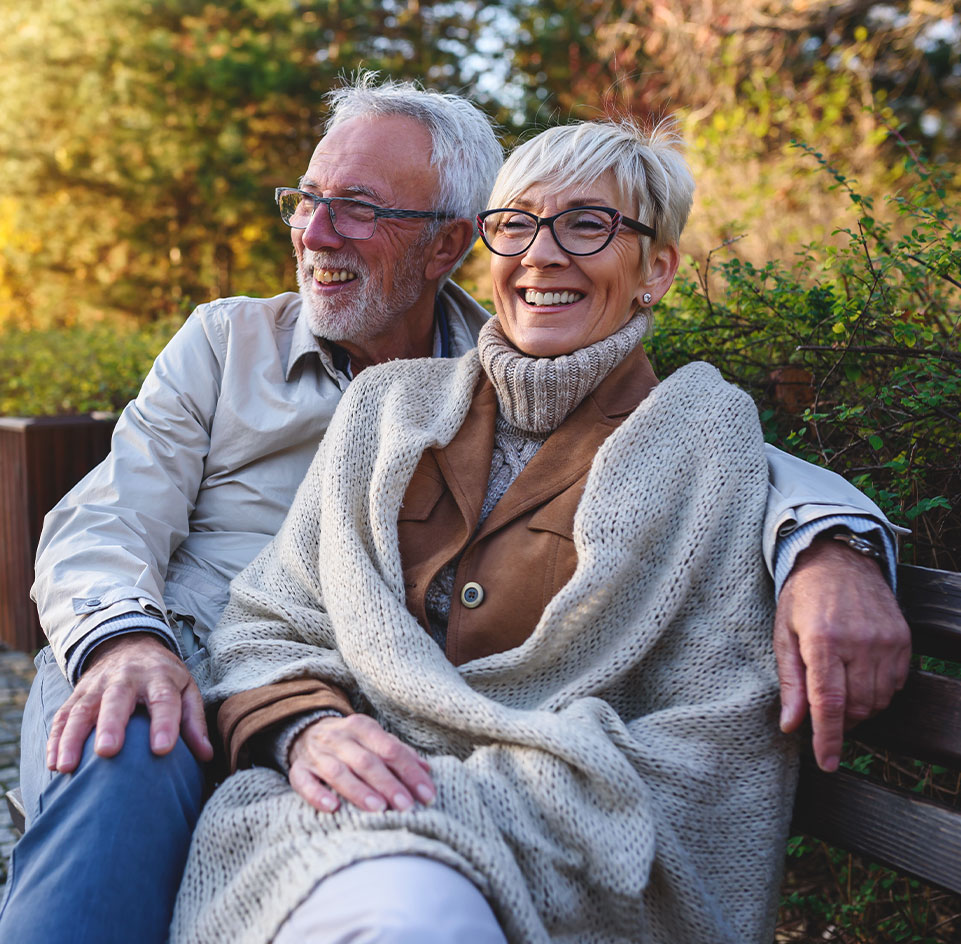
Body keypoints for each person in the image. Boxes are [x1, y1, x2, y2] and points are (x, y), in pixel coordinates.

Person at [0, 80, 906, 941]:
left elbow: (702, 446)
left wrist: (833, 545)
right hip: (175, 661)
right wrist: (127, 641)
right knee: (127, 748)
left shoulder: (525, 374)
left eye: (358, 206)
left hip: (348, 731)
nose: (316, 231)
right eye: (305, 199)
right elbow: (107, 519)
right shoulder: (238, 346)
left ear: (445, 246)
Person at [172, 116, 814, 943]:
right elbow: (270, 619)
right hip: (326, 813)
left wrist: (448, 796)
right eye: (515, 224)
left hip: (557, 841)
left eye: (588, 224)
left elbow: (716, 726)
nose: (543, 254)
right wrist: (309, 726)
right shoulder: (385, 407)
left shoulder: (703, 436)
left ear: (656, 268)